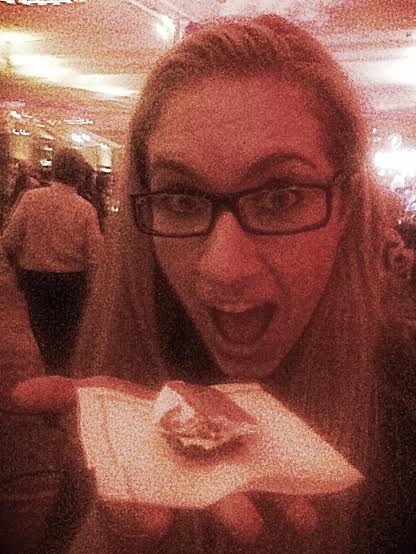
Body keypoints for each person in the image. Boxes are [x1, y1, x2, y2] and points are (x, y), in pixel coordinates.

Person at [9, 14, 416, 553]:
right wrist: (110, 535)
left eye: (281, 196)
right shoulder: (124, 409)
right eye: (181, 199)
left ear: (345, 207)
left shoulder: (405, 403)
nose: (224, 269)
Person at [2, 148, 104, 373]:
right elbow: (94, 256)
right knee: (68, 338)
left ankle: (52, 373)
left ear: (54, 170)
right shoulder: (85, 209)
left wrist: (16, 269)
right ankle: (62, 376)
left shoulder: (31, 199)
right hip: (72, 282)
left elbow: (9, 240)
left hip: (35, 279)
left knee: (44, 335)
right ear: (79, 175)